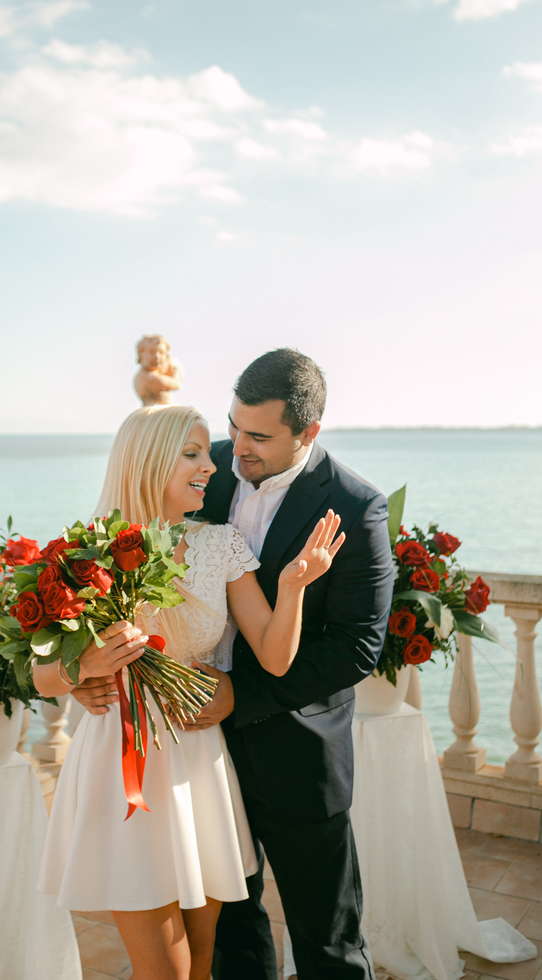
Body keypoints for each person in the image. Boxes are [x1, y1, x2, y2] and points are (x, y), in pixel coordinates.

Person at [75, 349, 395, 980]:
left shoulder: (357, 507)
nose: (234, 448)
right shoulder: (206, 467)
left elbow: (357, 646)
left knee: (326, 936)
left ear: (307, 433)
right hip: (193, 763)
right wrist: (87, 676)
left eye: (258, 436)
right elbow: (146, 477)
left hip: (294, 752)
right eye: (233, 426)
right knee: (228, 943)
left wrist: (234, 696)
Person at [34, 403, 344, 980]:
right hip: (123, 762)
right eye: (193, 453)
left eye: (208, 452)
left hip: (199, 762)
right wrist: (87, 667)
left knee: (201, 962)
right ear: (150, 461)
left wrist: (295, 584)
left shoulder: (221, 545)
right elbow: (42, 675)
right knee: (167, 969)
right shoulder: (84, 555)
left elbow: (275, 658)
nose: (211, 466)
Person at [134, 333, 183, 406]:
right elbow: (175, 384)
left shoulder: (156, 373)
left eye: (161, 353)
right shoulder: (146, 377)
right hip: (155, 411)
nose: (156, 356)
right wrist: (176, 371)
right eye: (151, 352)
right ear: (141, 355)